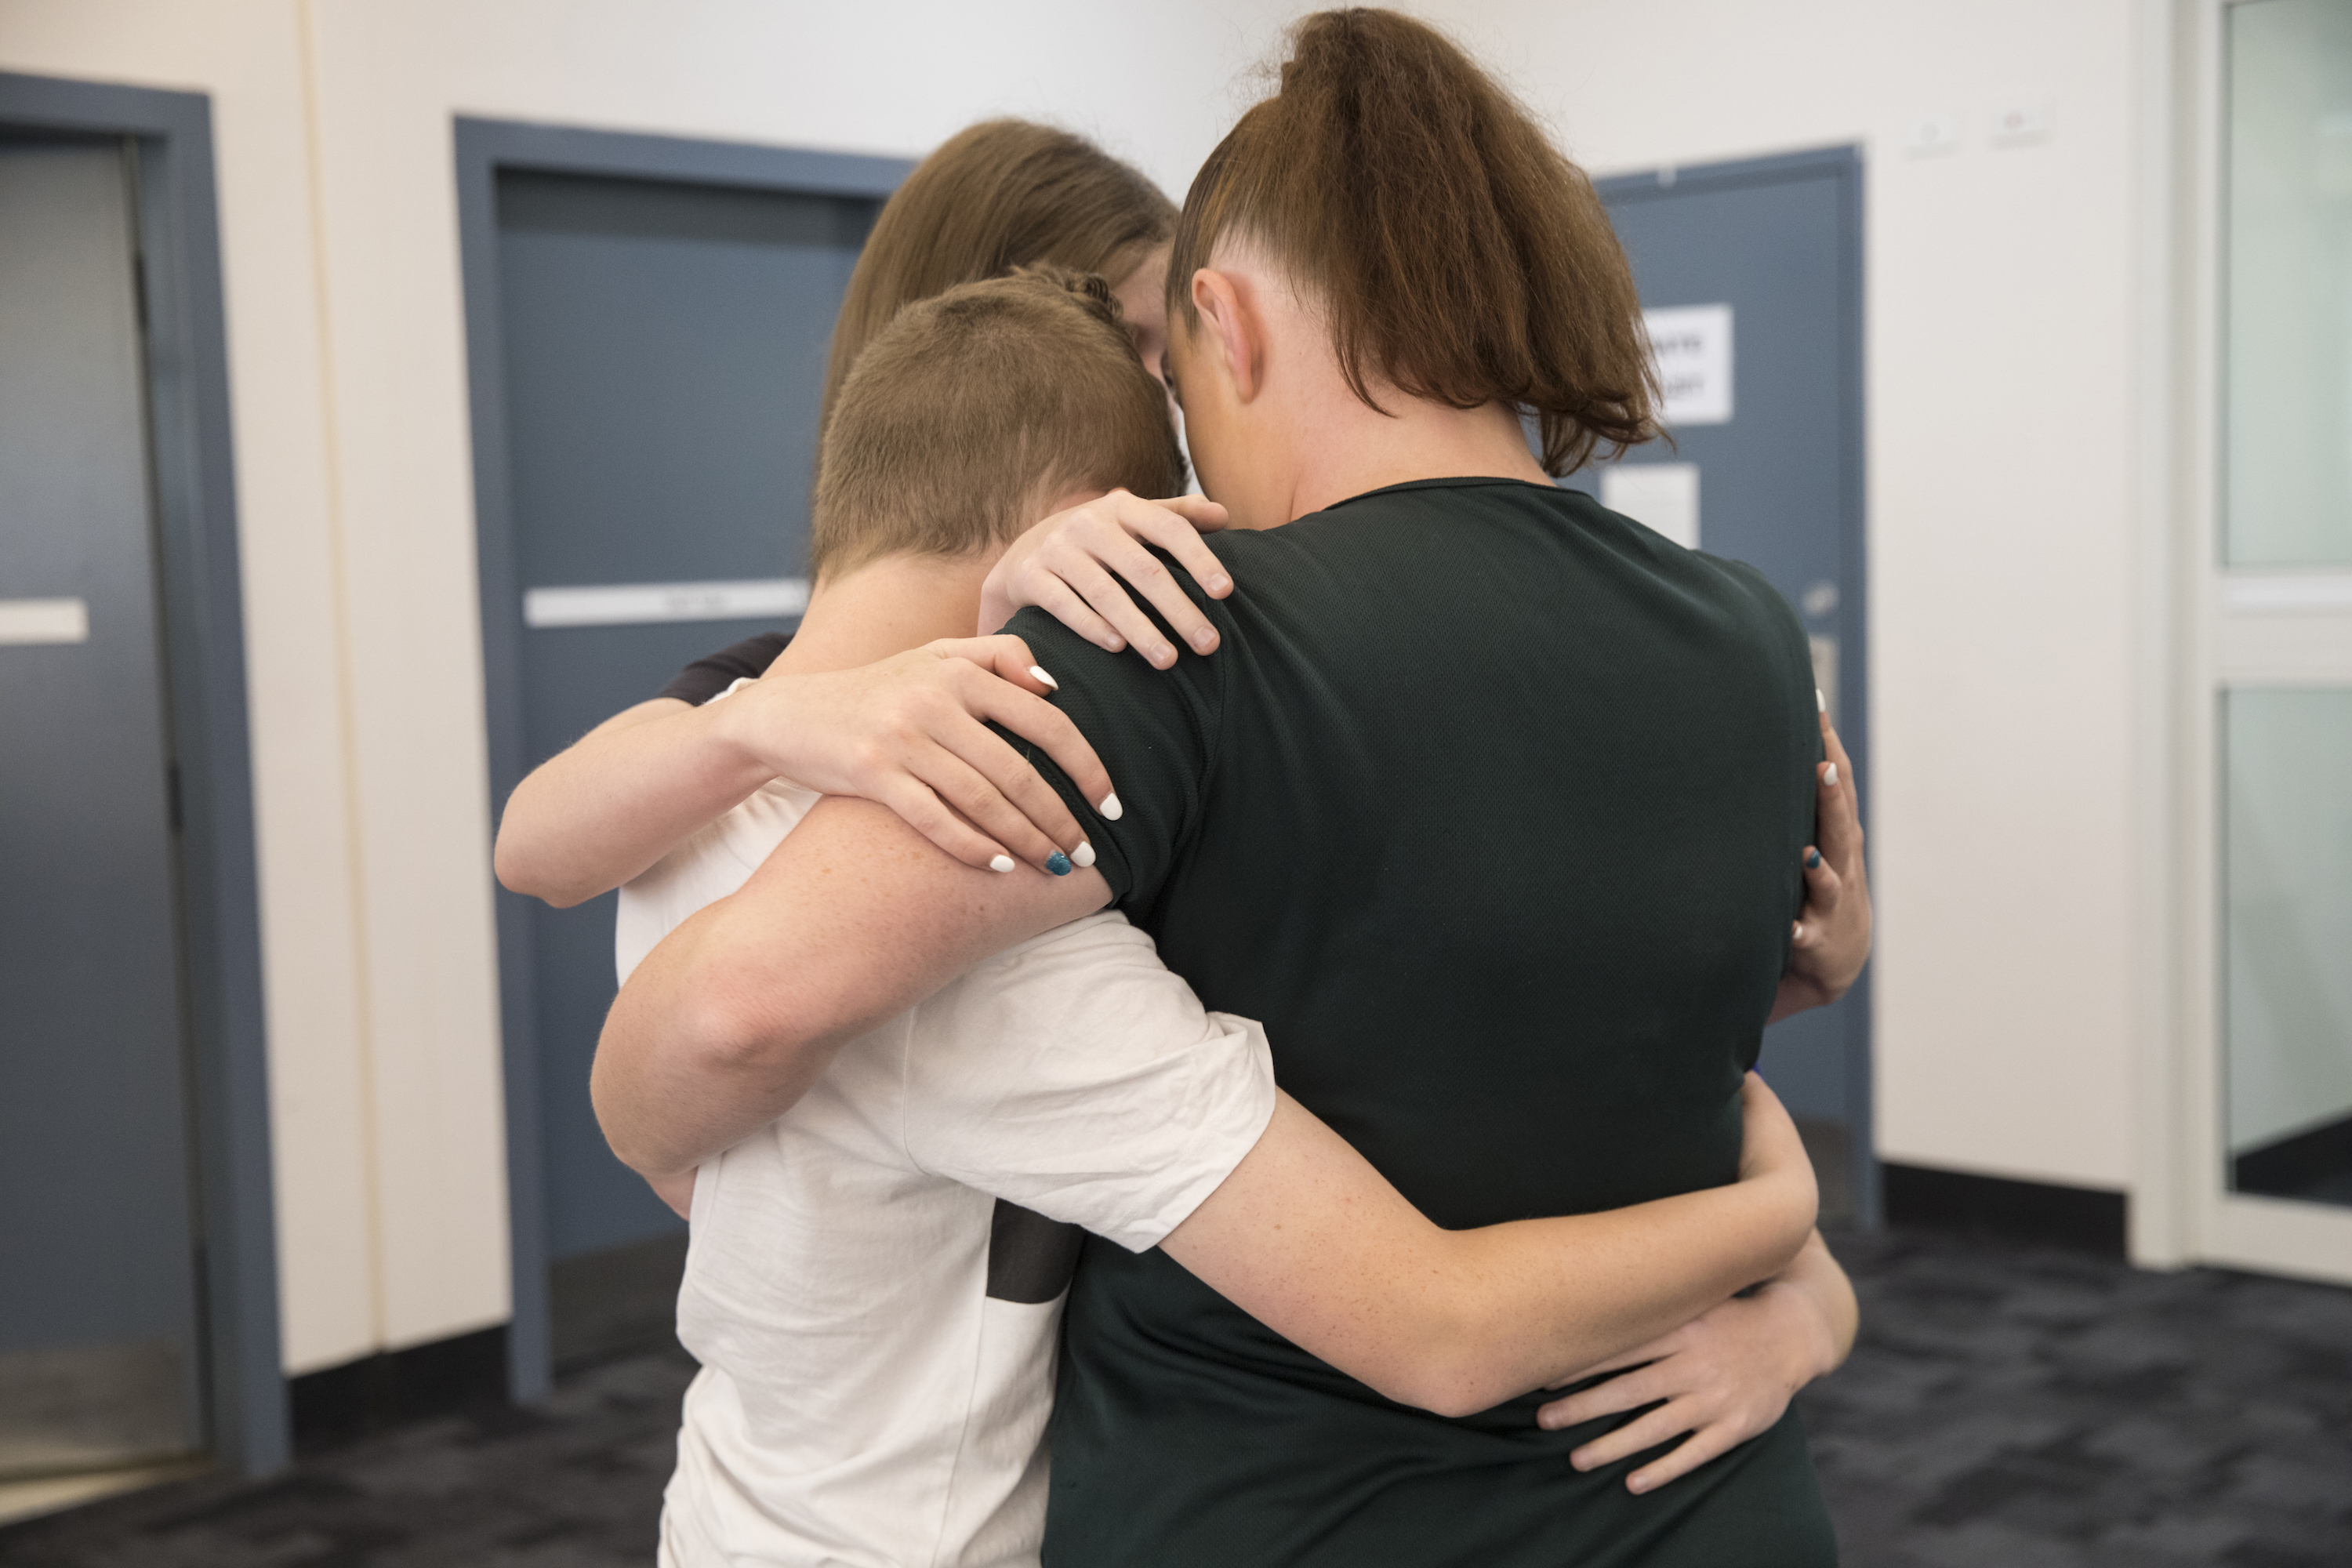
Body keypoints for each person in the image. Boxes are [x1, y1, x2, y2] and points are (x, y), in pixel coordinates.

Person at [594, 10, 1871, 1566]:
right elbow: (1588, 996)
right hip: (1711, 1504)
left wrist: (650, 1122)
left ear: (1228, 323)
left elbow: (736, 1008)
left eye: (1174, 382)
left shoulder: (1180, 635)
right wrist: (1797, 1260)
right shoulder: (1751, 634)